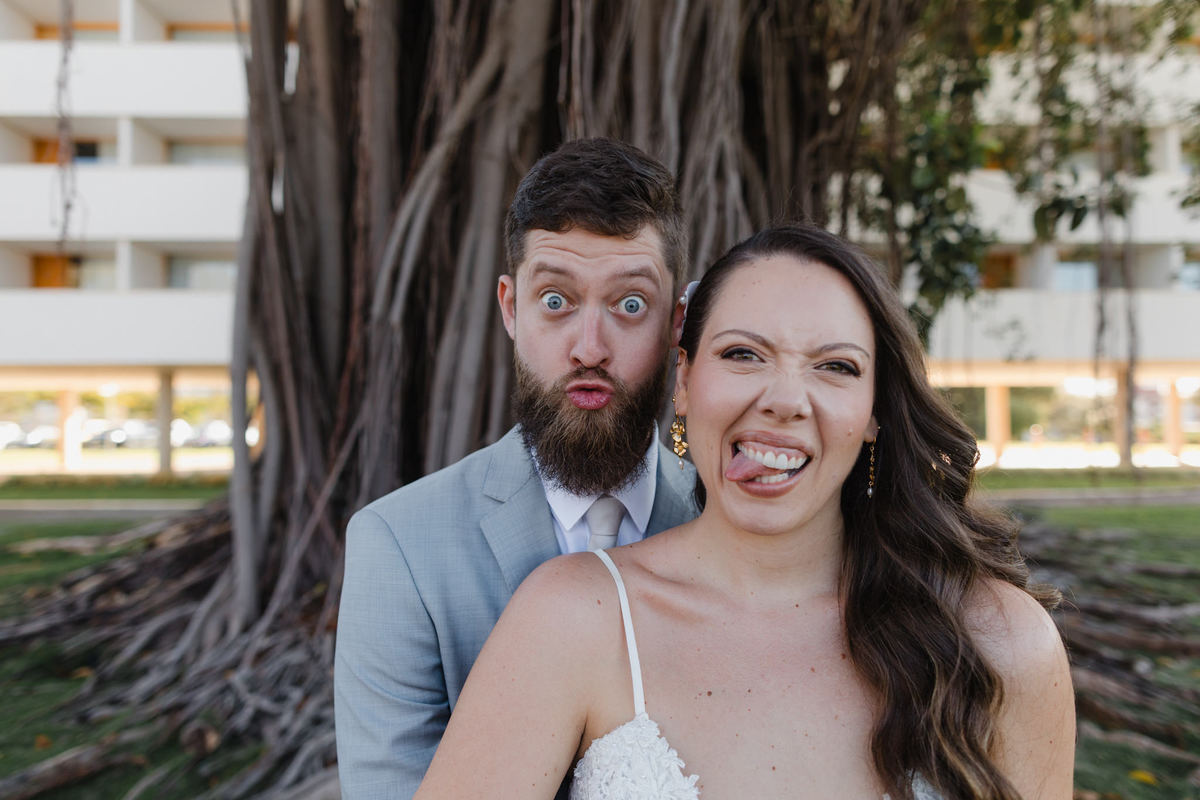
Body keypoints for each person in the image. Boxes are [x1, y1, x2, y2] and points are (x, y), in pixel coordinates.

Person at [414, 223, 1076, 800]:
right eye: (742, 354)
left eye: (836, 367)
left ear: (874, 412)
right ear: (684, 381)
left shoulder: (999, 644)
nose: (784, 399)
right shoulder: (573, 619)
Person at [334, 138, 699, 799]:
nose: (589, 349)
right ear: (510, 307)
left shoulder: (727, 521)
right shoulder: (398, 548)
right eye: (556, 300)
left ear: (676, 326)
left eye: (630, 305)